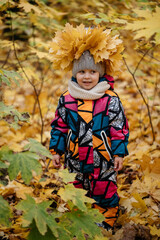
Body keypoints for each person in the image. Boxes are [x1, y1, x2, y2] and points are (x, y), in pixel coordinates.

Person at [49, 24, 129, 231]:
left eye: (92, 71)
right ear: (75, 73)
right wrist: (56, 150)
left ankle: (107, 223)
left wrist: (119, 153)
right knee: (77, 190)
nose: (86, 76)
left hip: (102, 158)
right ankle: (80, 223)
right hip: (75, 157)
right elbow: (59, 125)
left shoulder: (110, 99)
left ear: (100, 73)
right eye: (81, 71)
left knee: (104, 189)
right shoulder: (66, 99)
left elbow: (118, 127)